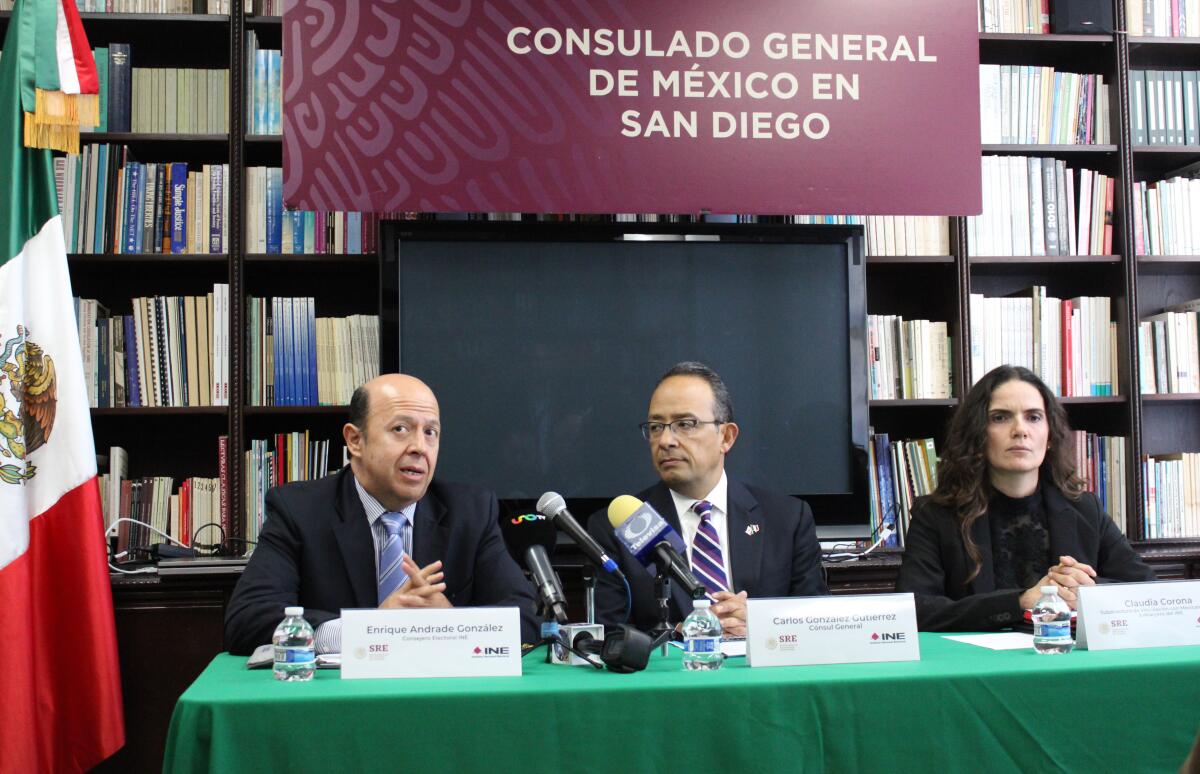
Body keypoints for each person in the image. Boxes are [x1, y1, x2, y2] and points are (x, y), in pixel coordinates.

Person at [224, 374, 538, 655]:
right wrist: (372, 629)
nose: (419, 447)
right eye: (400, 429)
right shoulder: (299, 511)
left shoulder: (470, 512)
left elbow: (527, 618)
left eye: (431, 432)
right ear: (355, 440)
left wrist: (449, 623)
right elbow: (247, 621)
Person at [896, 365, 1155, 632]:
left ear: (1050, 435)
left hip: (1067, 663)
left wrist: (1091, 592)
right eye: (1000, 417)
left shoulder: (1085, 509)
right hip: (980, 667)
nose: (1020, 430)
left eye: (1033, 417)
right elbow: (915, 610)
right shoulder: (935, 515)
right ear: (978, 433)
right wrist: (1019, 602)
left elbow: (1148, 592)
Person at [588, 362, 827, 637]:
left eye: (685, 424)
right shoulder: (620, 525)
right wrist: (686, 631)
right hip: (672, 678)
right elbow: (607, 634)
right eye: (656, 426)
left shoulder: (786, 519)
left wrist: (762, 624)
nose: (666, 440)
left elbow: (816, 622)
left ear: (726, 436)